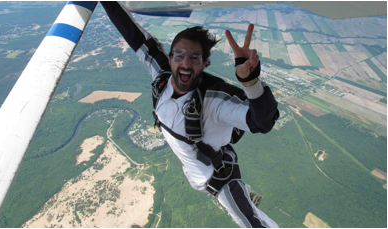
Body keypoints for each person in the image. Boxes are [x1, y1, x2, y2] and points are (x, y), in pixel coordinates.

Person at [101, 2, 279, 228]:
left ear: (205, 64)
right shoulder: (162, 77)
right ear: (170, 58)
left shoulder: (215, 101)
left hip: (220, 180)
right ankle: (246, 196)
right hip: (197, 171)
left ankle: (243, 196)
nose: (185, 62)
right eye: (179, 55)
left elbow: (262, 121)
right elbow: (135, 37)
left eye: (195, 58)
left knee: (252, 223)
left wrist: (251, 82)